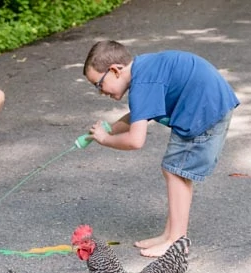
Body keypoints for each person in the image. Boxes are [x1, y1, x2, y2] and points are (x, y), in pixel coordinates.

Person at [82, 40, 239, 257]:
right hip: (207, 103)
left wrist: (105, 140)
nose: (100, 92)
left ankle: (176, 241)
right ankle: (170, 235)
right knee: (174, 170)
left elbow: (135, 141)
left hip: (203, 110)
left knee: (175, 170)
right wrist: (109, 129)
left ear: (115, 70)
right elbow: (139, 115)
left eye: (99, 84)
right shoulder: (143, 71)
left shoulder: (142, 85)